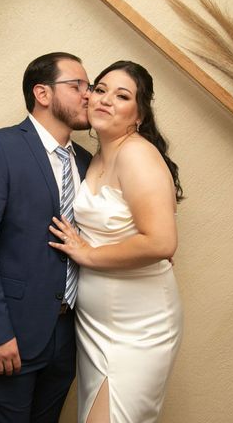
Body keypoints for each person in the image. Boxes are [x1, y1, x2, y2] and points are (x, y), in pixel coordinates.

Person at [0, 52, 94, 422]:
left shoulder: (86, 161)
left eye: (89, 86)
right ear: (42, 94)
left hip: (66, 334)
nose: (88, 95)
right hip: (10, 332)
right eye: (77, 85)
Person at [49, 61, 184, 423]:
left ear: (138, 115)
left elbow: (161, 243)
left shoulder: (137, 154)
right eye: (101, 89)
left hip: (139, 325)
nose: (106, 99)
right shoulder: (91, 159)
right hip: (95, 327)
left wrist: (89, 255)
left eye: (122, 96)